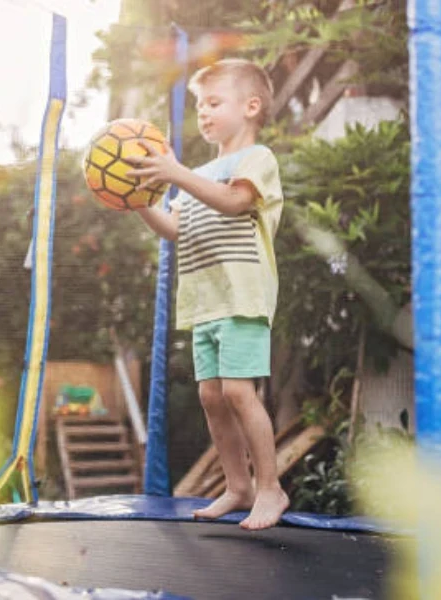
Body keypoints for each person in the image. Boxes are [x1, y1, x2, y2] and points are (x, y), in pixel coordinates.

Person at [127, 58, 287, 530]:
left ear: (251, 107)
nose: (203, 112)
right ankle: (237, 487)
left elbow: (236, 201)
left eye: (214, 102)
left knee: (239, 391)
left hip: (242, 296)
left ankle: (270, 488)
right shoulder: (195, 172)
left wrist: (175, 173)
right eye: (199, 105)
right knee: (212, 396)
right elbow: (173, 228)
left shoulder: (258, 160)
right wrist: (137, 202)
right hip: (206, 302)